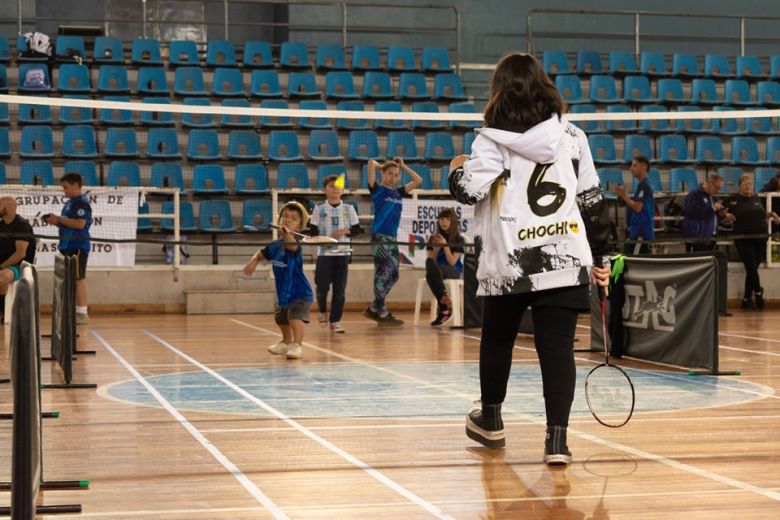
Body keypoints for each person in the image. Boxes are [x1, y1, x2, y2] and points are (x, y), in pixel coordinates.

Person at [448, 52, 611, 465]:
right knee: (557, 348)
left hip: (510, 262)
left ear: (499, 89)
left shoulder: (490, 139)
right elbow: (592, 202)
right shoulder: (573, 137)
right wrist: (603, 257)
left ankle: (492, 419)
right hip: (565, 257)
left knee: (498, 339)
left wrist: (455, 168)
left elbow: (468, 191)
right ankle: (557, 441)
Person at [242, 201, 313, 359]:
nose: (287, 220)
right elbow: (261, 254)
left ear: (300, 227)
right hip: (283, 293)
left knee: (295, 318)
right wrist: (253, 261)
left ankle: (297, 346)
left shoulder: (295, 245)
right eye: (285, 217)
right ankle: (286, 342)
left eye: (293, 219)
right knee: (280, 318)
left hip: (299, 292)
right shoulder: (274, 246)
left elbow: (290, 244)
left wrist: (287, 233)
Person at [362, 158, 422, 326]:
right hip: (380, 237)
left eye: (396, 175)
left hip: (392, 239)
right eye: (390, 174)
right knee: (382, 274)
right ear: (383, 174)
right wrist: (381, 166)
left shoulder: (399, 192)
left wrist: (403, 166)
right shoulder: (377, 190)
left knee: (394, 275)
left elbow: (418, 180)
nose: (393, 177)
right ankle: (381, 311)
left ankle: (374, 307)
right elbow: (370, 162)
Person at [309, 175, 362, 333]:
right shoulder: (319, 208)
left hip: (343, 253)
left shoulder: (349, 208)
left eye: (337, 187)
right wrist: (324, 238)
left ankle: (335, 321)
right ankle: (322, 311)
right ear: (325, 190)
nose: (334, 190)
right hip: (324, 254)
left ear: (342, 191)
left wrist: (344, 231)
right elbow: (312, 231)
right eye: (330, 186)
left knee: (340, 289)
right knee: (322, 287)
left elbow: (358, 230)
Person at [722, 174, 780, 310]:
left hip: (761, 237)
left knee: (752, 268)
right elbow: (720, 210)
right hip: (743, 238)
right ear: (740, 185)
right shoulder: (733, 199)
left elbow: (761, 213)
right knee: (751, 267)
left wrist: (771, 214)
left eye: (750, 183)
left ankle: (747, 297)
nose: (748, 186)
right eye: (745, 183)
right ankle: (758, 293)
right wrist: (726, 215)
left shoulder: (756, 198)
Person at [44, 173, 92, 324]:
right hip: (66, 245)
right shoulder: (69, 203)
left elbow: (79, 224)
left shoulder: (81, 203)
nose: (63, 190)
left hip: (77, 246)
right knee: (69, 279)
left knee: (79, 278)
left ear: (76, 186)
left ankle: (82, 313)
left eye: (66, 187)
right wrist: (55, 221)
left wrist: (58, 219)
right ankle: (70, 310)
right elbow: (67, 223)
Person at [425, 207, 464, 326]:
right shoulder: (433, 238)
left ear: (452, 221)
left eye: (447, 219)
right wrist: (436, 249)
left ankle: (443, 308)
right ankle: (445, 303)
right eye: (441, 219)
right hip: (438, 271)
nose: (444, 222)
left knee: (429, 275)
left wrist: (445, 246)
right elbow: (431, 260)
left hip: (453, 271)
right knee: (429, 263)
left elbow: (452, 262)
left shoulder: (458, 238)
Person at [615, 156, 655, 254]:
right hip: (637, 231)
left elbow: (637, 207)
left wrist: (624, 196)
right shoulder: (643, 185)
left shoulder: (644, 185)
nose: (631, 168)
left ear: (643, 167)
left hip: (640, 232)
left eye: (634, 165)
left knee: (634, 262)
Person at [682, 173, 727, 252]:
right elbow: (692, 213)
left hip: (712, 236)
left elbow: (712, 215)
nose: (718, 191)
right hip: (697, 237)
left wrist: (721, 214)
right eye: (716, 188)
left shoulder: (713, 196)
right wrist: (713, 208)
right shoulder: (694, 194)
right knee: (696, 262)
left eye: (719, 188)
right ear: (708, 183)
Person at [0, 196, 36, 295]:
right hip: (3, 265)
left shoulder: (22, 226)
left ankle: (4, 308)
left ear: (9, 208)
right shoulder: (1, 225)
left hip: (19, 266)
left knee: (3, 277)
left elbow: (20, 254)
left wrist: (1, 267)